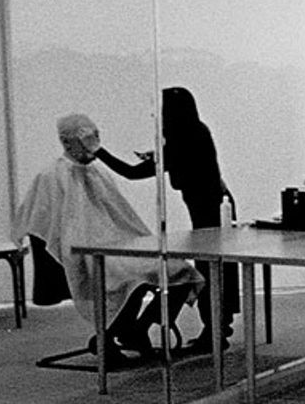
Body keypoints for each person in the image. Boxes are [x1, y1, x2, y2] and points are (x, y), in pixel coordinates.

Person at [14, 113, 202, 362]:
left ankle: (138, 328)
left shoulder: (98, 173)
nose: (94, 143)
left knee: (182, 272)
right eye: (87, 139)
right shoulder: (51, 176)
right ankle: (112, 333)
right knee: (129, 278)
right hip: (87, 252)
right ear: (67, 143)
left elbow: (122, 217)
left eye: (97, 136)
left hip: (122, 246)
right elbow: (42, 224)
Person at [94, 87, 237, 354]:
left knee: (210, 270)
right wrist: (159, 156)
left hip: (210, 211)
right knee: (215, 270)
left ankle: (215, 334)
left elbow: (132, 173)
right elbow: (181, 159)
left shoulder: (183, 141)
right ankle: (217, 330)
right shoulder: (195, 132)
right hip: (215, 205)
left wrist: (99, 152)